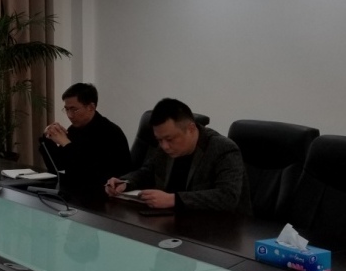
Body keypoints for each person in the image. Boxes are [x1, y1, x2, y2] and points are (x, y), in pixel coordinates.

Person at [105, 98, 251, 214]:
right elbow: (148, 172)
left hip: (222, 230)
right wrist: (125, 182)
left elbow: (227, 197)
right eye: (159, 140)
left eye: (170, 139)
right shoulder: (164, 146)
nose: (164, 146)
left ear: (191, 129)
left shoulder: (223, 149)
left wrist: (173, 199)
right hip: (176, 222)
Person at [39, 83, 132, 193]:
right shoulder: (74, 130)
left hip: (103, 194)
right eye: (67, 109)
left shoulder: (110, 132)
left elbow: (90, 173)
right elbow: (57, 166)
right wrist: (47, 138)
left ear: (91, 107)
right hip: (76, 191)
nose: (69, 115)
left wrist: (67, 144)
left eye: (74, 109)